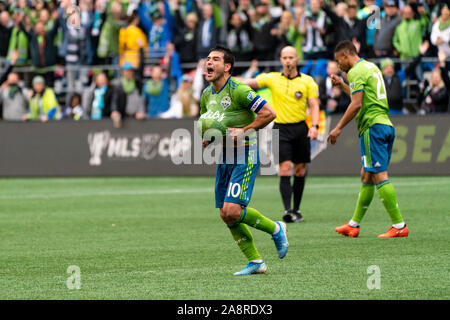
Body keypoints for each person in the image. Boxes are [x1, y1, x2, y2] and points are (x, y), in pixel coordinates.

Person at [200, 45, 288, 276]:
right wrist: (207, 139)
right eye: (208, 59)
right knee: (225, 214)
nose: (208, 63)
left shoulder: (238, 90)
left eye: (215, 59)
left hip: (245, 153)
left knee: (233, 209)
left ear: (227, 67)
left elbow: (269, 113)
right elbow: (206, 120)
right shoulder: (207, 94)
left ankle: (276, 228)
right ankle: (256, 262)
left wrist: (245, 129)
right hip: (225, 155)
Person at [327, 40, 408, 238]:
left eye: (339, 61)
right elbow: (361, 98)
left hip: (372, 127)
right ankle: (353, 225)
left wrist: (337, 128)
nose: (339, 66)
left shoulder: (355, 71)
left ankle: (399, 225)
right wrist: (343, 85)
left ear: (346, 56)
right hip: (385, 124)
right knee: (367, 175)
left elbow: (356, 105)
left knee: (379, 174)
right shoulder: (371, 67)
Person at [240, 45, 320, 223]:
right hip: (281, 129)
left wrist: (314, 125)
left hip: (300, 128)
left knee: (300, 170)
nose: (288, 60)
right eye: (285, 57)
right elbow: (249, 83)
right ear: (281, 60)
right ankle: (287, 210)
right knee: (284, 168)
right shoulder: (272, 78)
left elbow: (314, 105)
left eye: (291, 57)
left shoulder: (308, 81)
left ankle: (297, 209)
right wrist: (226, 80)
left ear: (297, 59)